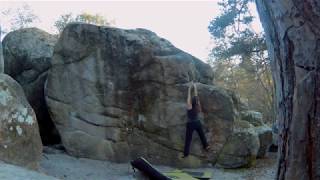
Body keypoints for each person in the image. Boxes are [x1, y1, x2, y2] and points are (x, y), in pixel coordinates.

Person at [182, 81, 210, 158]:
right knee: (202, 135)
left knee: (188, 140)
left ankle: (186, 154)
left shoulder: (189, 106)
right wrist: (195, 87)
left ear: (191, 101)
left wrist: (189, 89)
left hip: (190, 124)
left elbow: (189, 98)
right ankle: (206, 146)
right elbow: (196, 97)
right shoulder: (198, 106)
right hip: (197, 123)